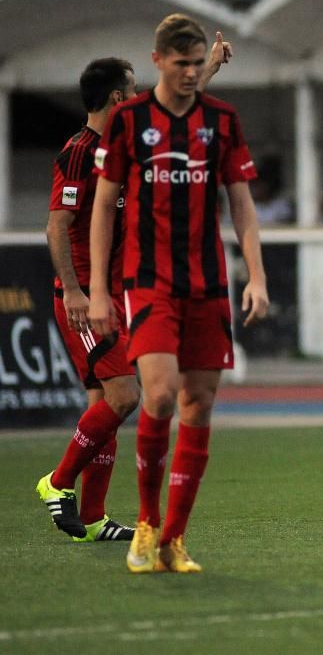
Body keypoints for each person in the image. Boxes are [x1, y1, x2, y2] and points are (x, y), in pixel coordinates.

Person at [36, 34, 233, 544]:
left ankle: (96, 518)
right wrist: (77, 292)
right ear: (119, 100)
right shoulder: (79, 153)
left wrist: (208, 67)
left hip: (114, 296)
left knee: (105, 404)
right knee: (124, 396)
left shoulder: (124, 143)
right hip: (82, 299)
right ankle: (57, 483)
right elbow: (57, 226)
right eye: (133, 89)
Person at [89, 14, 268, 573]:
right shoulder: (128, 121)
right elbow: (102, 204)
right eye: (182, 64)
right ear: (158, 60)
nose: (191, 73)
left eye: (199, 65)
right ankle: (145, 521)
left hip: (209, 284)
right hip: (148, 283)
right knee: (160, 396)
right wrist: (98, 288)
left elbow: (240, 201)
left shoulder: (222, 120)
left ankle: (173, 538)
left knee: (199, 404)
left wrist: (255, 275)